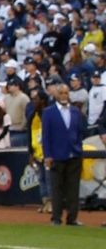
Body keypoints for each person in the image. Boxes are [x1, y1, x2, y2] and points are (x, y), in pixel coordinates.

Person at [42, 83, 85, 226]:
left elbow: (79, 132)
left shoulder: (75, 111)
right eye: (61, 93)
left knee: (73, 188)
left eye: (66, 93)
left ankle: (72, 218)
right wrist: (47, 155)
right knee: (57, 188)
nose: (64, 96)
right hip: (56, 155)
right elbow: (46, 136)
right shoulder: (49, 112)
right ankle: (56, 218)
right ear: (56, 95)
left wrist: (78, 148)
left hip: (74, 154)